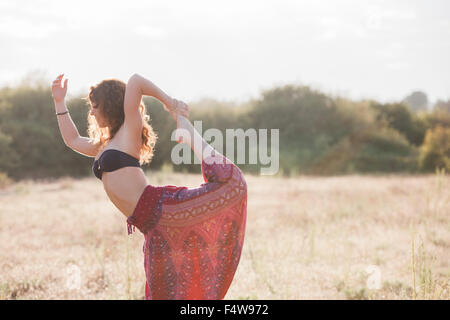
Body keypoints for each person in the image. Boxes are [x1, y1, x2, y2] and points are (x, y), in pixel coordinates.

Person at [51, 73, 248, 300]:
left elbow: (135, 81)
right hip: (152, 227)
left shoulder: (129, 131)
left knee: (232, 183)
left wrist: (171, 104)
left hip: (163, 209)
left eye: (95, 106)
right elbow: (72, 139)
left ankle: (188, 132)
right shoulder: (104, 145)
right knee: (164, 293)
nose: (91, 112)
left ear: (110, 105)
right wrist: (59, 101)